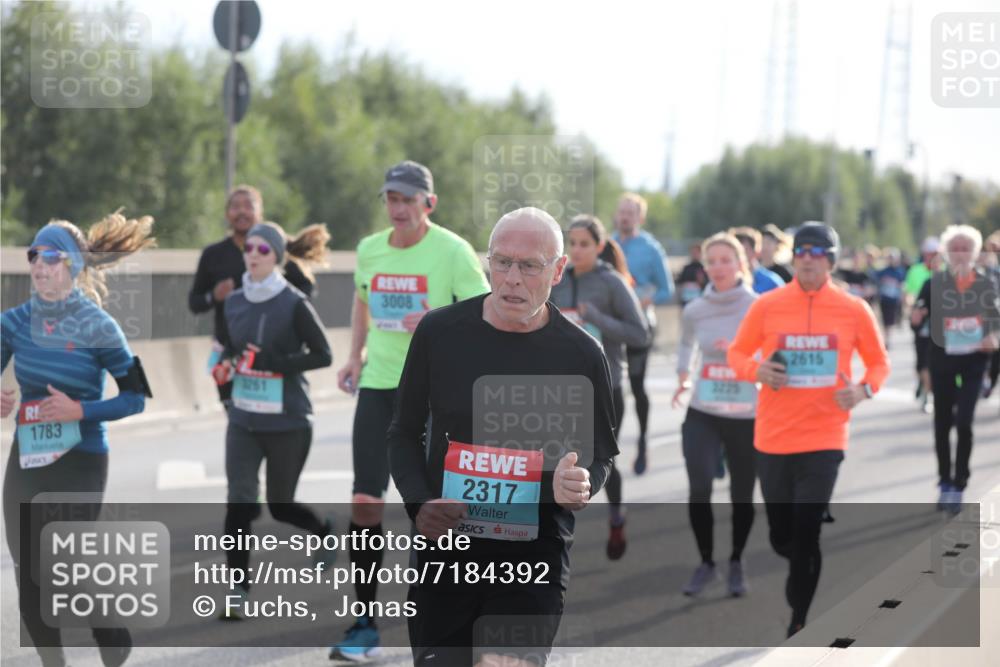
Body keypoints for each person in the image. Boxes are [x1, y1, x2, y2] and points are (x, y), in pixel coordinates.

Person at [387, 207, 618, 667]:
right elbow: (403, 433)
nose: (512, 278)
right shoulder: (439, 332)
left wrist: (581, 484)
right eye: (502, 262)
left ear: (557, 270)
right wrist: (420, 503)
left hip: (533, 556)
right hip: (447, 553)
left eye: (529, 265)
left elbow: (600, 455)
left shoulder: (581, 353)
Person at [331, 161, 490, 660]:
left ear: (429, 203)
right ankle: (364, 622)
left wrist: (437, 319)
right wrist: (354, 355)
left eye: (407, 199)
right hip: (379, 387)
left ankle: (454, 617)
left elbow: (485, 315)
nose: (398, 208)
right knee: (364, 502)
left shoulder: (453, 251)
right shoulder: (369, 249)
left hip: (434, 395)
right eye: (391, 199)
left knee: (435, 509)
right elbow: (361, 301)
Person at [2, 213, 156, 667]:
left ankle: (110, 631)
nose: (39, 265)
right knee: (29, 573)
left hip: (82, 457)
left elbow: (136, 398)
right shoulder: (13, 323)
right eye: (33, 255)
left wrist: (81, 410)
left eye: (50, 257)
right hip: (28, 457)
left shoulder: (100, 326)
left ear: (71, 265)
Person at [727, 221, 890, 637]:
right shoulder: (768, 305)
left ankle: (799, 619)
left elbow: (878, 363)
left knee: (807, 530)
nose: (808, 259)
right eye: (801, 252)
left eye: (817, 253)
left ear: (831, 261)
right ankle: (796, 562)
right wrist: (757, 370)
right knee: (782, 536)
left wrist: (863, 390)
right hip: (773, 437)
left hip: (826, 435)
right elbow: (737, 353)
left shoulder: (853, 309)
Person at [211, 221, 334, 619]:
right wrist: (225, 366)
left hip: (288, 421)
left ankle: (323, 531)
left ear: (277, 257)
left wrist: (276, 363)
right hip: (244, 420)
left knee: (280, 506)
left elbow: (323, 354)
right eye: (249, 248)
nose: (253, 254)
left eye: (263, 250)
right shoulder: (234, 300)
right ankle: (237, 591)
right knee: (239, 500)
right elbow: (229, 348)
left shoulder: (293, 302)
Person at [550, 214, 649, 560]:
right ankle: (553, 536)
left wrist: (597, 318)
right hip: (559, 391)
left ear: (600, 246)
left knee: (601, 460)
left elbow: (639, 334)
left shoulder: (612, 283)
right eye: (572, 243)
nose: (577, 250)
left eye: (584, 244)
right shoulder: (557, 280)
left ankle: (616, 517)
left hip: (605, 389)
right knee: (555, 460)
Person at [672, 233, 758, 597]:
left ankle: (736, 560)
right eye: (712, 261)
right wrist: (683, 376)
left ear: (740, 264)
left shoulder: (758, 307)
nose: (719, 267)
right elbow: (686, 344)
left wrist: (741, 354)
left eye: (726, 260)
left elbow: (773, 353)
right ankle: (706, 562)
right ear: (704, 267)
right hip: (704, 410)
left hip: (745, 413)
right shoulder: (696, 309)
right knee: (700, 487)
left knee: (742, 493)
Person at [188, 185, 316, 408]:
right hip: (230, 351)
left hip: (273, 350)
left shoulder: (276, 248)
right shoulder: (213, 254)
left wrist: (286, 312)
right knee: (236, 412)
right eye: (235, 206)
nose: (241, 212)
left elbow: (306, 286)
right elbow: (195, 302)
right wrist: (214, 295)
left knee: (273, 415)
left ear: (260, 212)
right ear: (227, 213)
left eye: (248, 206)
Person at [911, 225, 1000, 513]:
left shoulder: (986, 284)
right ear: (947, 253)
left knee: (964, 422)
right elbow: (918, 326)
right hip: (942, 363)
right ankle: (944, 481)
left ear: (974, 252)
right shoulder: (933, 284)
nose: (960, 254)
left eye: (965, 248)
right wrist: (922, 364)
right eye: (955, 248)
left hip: (974, 363)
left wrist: (993, 340)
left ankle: (960, 481)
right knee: (942, 423)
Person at [612, 192, 675, 475]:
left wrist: (646, 300)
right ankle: (609, 449)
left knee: (636, 386)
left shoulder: (651, 248)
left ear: (640, 217)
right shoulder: (607, 244)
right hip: (610, 326)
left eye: (631, 213)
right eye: (622, 212)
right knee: (611, 386)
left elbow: (666, 289)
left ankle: (642, 441)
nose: (625, 217)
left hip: (639, 326)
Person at [905, 237, 942, 413]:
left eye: (935, 254)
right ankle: (924, 384)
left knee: (933, 361)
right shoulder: (916, 270)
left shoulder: (946, 272)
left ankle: (929, 394)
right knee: (922, 361)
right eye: (929, 254)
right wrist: (915, 309)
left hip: (939, 324)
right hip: (922, 322)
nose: (932, 257)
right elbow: (909, 293)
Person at [730, 226, 785, 294]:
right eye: (735, 252)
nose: (739, 257)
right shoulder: (724, 282)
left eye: (743, 251)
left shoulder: (772, 283)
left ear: (756, 252)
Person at [979, 231, 1000, 402]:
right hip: (982, 319)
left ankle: (990, 382)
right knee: (986, 354)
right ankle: (982, 382)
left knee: (996, 358)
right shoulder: (980, 271)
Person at [875, 248, 907, 347]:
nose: (891, 260)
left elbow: (903, 285)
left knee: (890, 320)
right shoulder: (883, 271)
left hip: (893, 300)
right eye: (890, 258)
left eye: (893, 258)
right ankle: (885, 338)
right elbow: (875, 279)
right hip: (884, 299)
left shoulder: (900, 272)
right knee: (884, 320)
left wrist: (903, 297)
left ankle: (887, 339)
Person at [677, 241, 709, 307]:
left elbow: (709, 284)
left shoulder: (705, 268)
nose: (694, 255)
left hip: (700, 298)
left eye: (696, 253)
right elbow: (679, 280)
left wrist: (702, 282)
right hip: (686, 298)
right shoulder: (686, 268)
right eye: (693, 253)